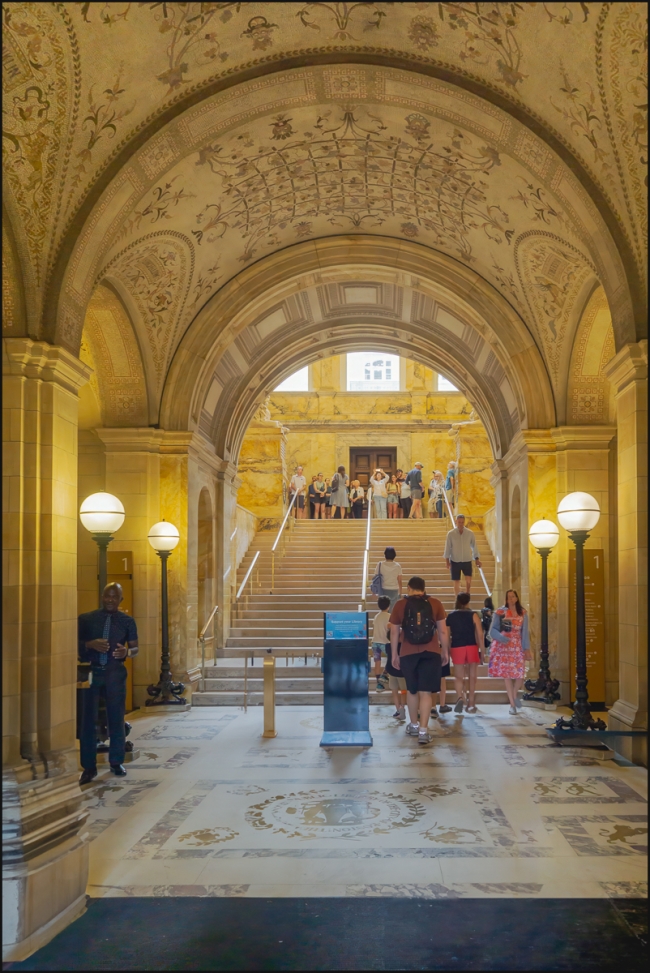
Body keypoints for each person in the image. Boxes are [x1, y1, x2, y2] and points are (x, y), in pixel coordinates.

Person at [78, 583, 139, 784]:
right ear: (102, 597)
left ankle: (116, 762)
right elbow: (72, 644)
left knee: (116, 718)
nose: (110, 600)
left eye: (114, 597)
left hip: (115, 673)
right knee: (88, 720)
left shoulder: (127, 622)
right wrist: (90, 644)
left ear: (121, 599)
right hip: (91, 674)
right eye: (107, 596)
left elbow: (135, 648)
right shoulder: (86, 619)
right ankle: (88, 767)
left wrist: (126, 653)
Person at [389, 576, 449, 746]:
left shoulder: (401, 604)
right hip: (431, 652)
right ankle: (424, 731)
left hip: (408, 653)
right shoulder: (435, 603)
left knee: (412, 691)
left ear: (409, 588)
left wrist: (395, 654)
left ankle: (413, 725)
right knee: (426, 692)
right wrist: (445, 651)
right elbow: (443, 631)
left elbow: (394, 632)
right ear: (424, 588)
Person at [489, 589, 530, 715]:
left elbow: (525, 632)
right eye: (508, 597)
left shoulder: (523, 613)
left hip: (517, 646)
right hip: (504, 646)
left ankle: (513, 695)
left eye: (513, 596)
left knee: (520, 675)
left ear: (517, 598)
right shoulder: (500, 612)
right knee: (507, 676)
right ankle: (512, 704)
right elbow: (492, 630)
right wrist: (501, 637)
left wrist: (526, 648)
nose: (511, 599)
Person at [446, 592, 484, 714]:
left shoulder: (450, 616)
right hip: (471, 646)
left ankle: (460, 698)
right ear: (468, 601)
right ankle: (471, 704)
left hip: (457, 647)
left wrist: (447, 650)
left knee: (458, 676)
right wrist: (482, 650)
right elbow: (479, 634)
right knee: (472, 676)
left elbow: (446, 636)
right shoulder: (474, 615)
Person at [444, 514, 482, 596]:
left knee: (468, 580)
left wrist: (477, 559)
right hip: (455, 560)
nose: (461, 524)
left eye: (462, 522)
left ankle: (467, 595)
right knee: (456, 581)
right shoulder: (450, 534)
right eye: (459, 522)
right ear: (456, 522)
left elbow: (474, 546)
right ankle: (457, 599)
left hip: (467, 560)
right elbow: (448, 548)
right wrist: (447, 561)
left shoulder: (470, 533)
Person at [374, 546, 403, 611]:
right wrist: (401, 594)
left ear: (385, 555)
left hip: (383, 590)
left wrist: (374, 591)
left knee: (383, 610)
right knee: (392, 611)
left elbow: (375, 579)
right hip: (394, 590)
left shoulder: (380, 564)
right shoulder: (397, 566)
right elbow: (399, 581)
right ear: (394, 555)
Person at [371, 595, 391, 685]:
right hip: (385, 642)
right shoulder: (389, 616)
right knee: (391, 658)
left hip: (375, 642)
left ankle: (378, 684)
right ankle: (385, 674)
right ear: (389, 606)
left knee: (377, 662)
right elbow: (390, 627)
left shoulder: (376, 616)